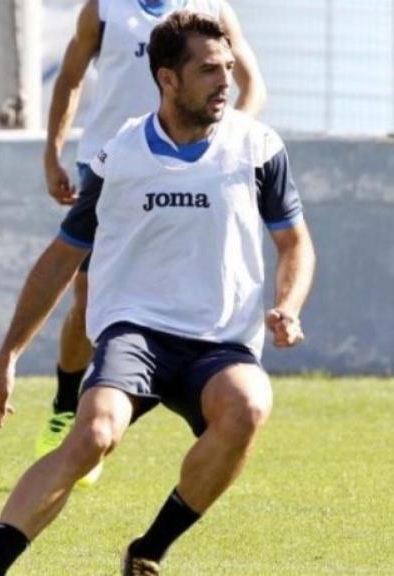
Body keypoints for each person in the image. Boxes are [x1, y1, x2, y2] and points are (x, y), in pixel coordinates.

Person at [0, 12, 313, 575]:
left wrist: (289, 306)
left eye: (228, 67)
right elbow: (62, 256)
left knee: (249, 407)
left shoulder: (258, 148)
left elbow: (295, 244)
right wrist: (8, 355)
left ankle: (149, 550)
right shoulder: (120, 156)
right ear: (168, 79)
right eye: (208, 70)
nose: (225, 81)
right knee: (93, 435)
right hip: (138, 333)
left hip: (221, 340)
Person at [38, 0, 267, 483]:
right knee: (89, 294)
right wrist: (53, 152)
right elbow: (71, 78)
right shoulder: (103, 9)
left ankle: (181, 382)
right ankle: (68, 405)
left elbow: (253, 86)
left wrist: (225, 145)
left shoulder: (211, 11)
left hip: (191, 167)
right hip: (113, 164)